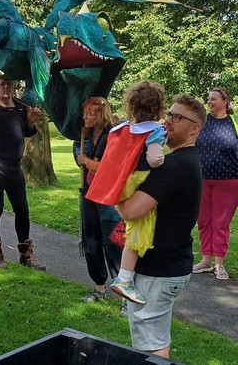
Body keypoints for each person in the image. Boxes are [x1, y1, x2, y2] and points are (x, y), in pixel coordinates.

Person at [116, 94, 206, 358]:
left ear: (195, 128)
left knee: (151, 348)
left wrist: (116, 197)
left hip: (157, 271)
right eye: (169, 114)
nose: (168, 121)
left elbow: (131, 212)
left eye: (178, 118)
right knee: (154, 340)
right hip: (171, 264)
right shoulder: (188, 159)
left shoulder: (174, 166)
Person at [86, 81, 166, 305]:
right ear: (159, 107)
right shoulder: (155, 131)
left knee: (130, 230)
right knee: (138, 233)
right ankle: (125, 278)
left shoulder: (121, 129)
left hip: (118, 187)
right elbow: (154, 159)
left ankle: (125, 277)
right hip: (139, 183)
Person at [0, 77, 45, 270]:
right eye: (3, 85)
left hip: (15, 167)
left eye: (9, 84)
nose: (8, 87)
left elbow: (25, 131)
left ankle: (25, 255)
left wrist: (31, 121)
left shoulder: (19, 107)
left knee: (22, 210)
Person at [73, 97, 124, 303]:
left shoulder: (115, 133)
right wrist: (85, 160)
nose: (85, 116)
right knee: (91, 240)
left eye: (90, 113)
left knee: (114, 242)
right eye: (84, 112)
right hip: (89, 193)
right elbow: (79, 157)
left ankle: (124, 298)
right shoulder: (84, 134)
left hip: (109, 196)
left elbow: (112, 168)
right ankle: (99, 288)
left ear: (101, 114)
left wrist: (89, 162)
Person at [194, 87, 238, 280]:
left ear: (225, 101)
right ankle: (205, 261)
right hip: (202, 179)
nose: (209, 102)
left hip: (229, 181)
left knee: (221, 223)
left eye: (213, 99)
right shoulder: (202, 123)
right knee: (203, 221)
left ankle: (219, 264)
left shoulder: (234, 123)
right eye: (208, 98)